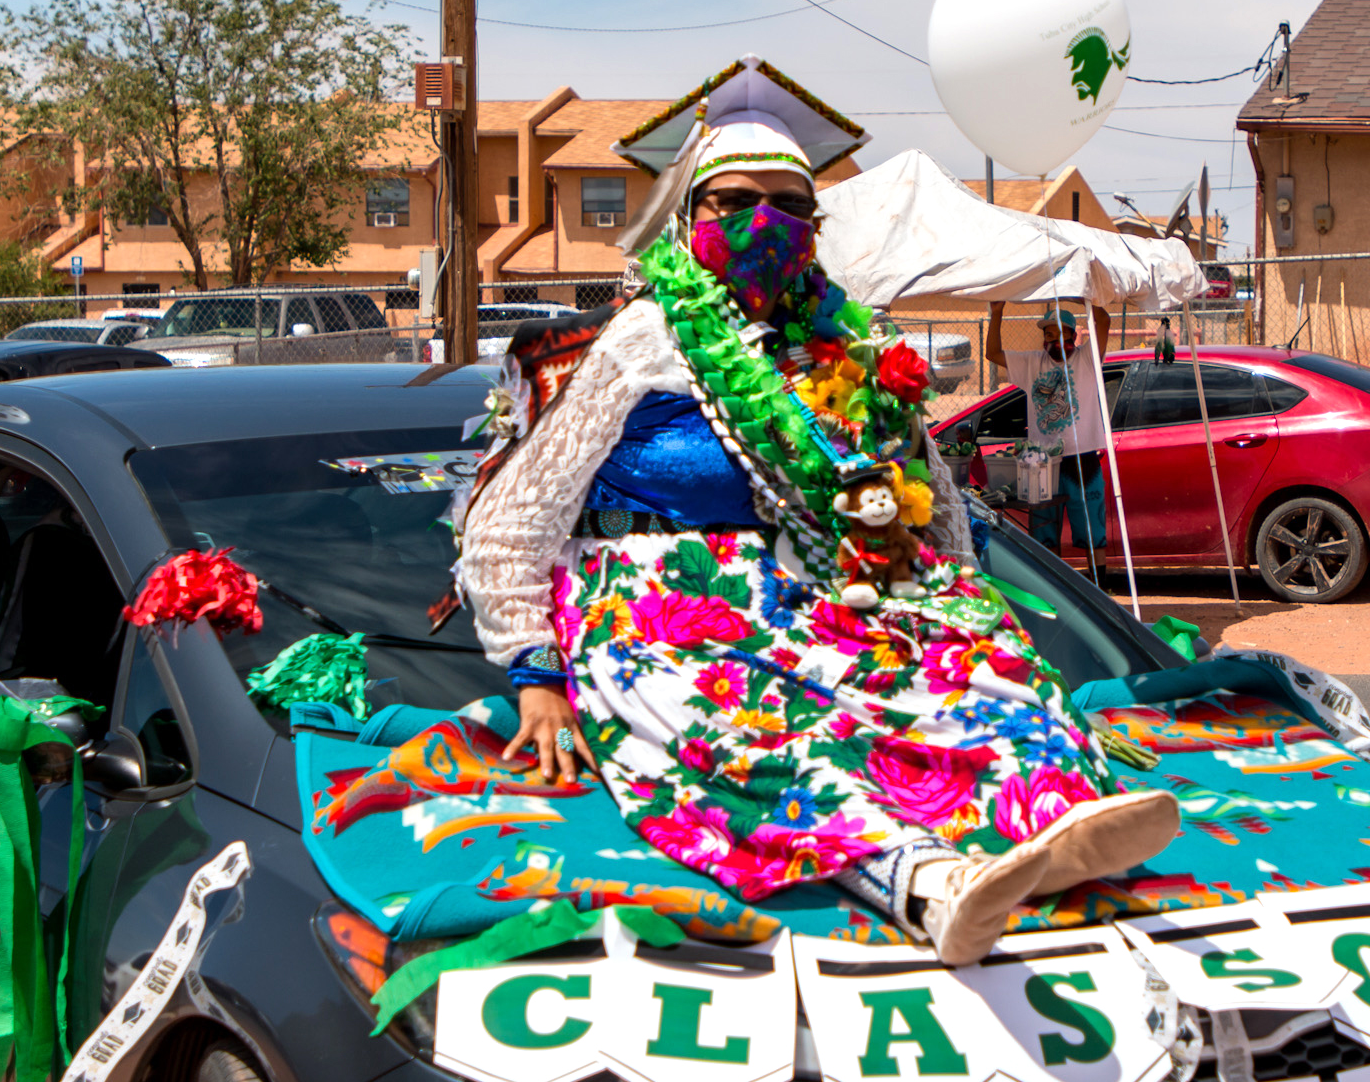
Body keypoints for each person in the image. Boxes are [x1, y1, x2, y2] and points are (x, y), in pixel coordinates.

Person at [454, 68, 1176, 966]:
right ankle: (923, 883)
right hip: (658, 604)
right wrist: (534, 672)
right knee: (760, 738)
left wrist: (949, 605)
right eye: (736, 200)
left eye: (791, 206)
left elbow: (930, 502)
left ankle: (1058, 819)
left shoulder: (851, 344)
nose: (765, 221)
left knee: (974, 676)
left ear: (816, 229)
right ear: (691, 216)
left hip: (814, 596)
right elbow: (518, 514)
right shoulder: (645, 337)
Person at [985, 303, 1116, 552]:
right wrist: (997, 313)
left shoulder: (1088, 358)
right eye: (1048, 334)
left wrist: (1084, 296)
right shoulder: (1032, 364)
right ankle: (1052, 586)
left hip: (1083, 460)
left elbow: (1104, 320)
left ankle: (1097, 585)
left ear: (1073, 336)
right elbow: (993, 354)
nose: (1054, 340)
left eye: (1061, 333)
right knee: (1044, 536)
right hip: (1042, 464)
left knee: (1092, 533)